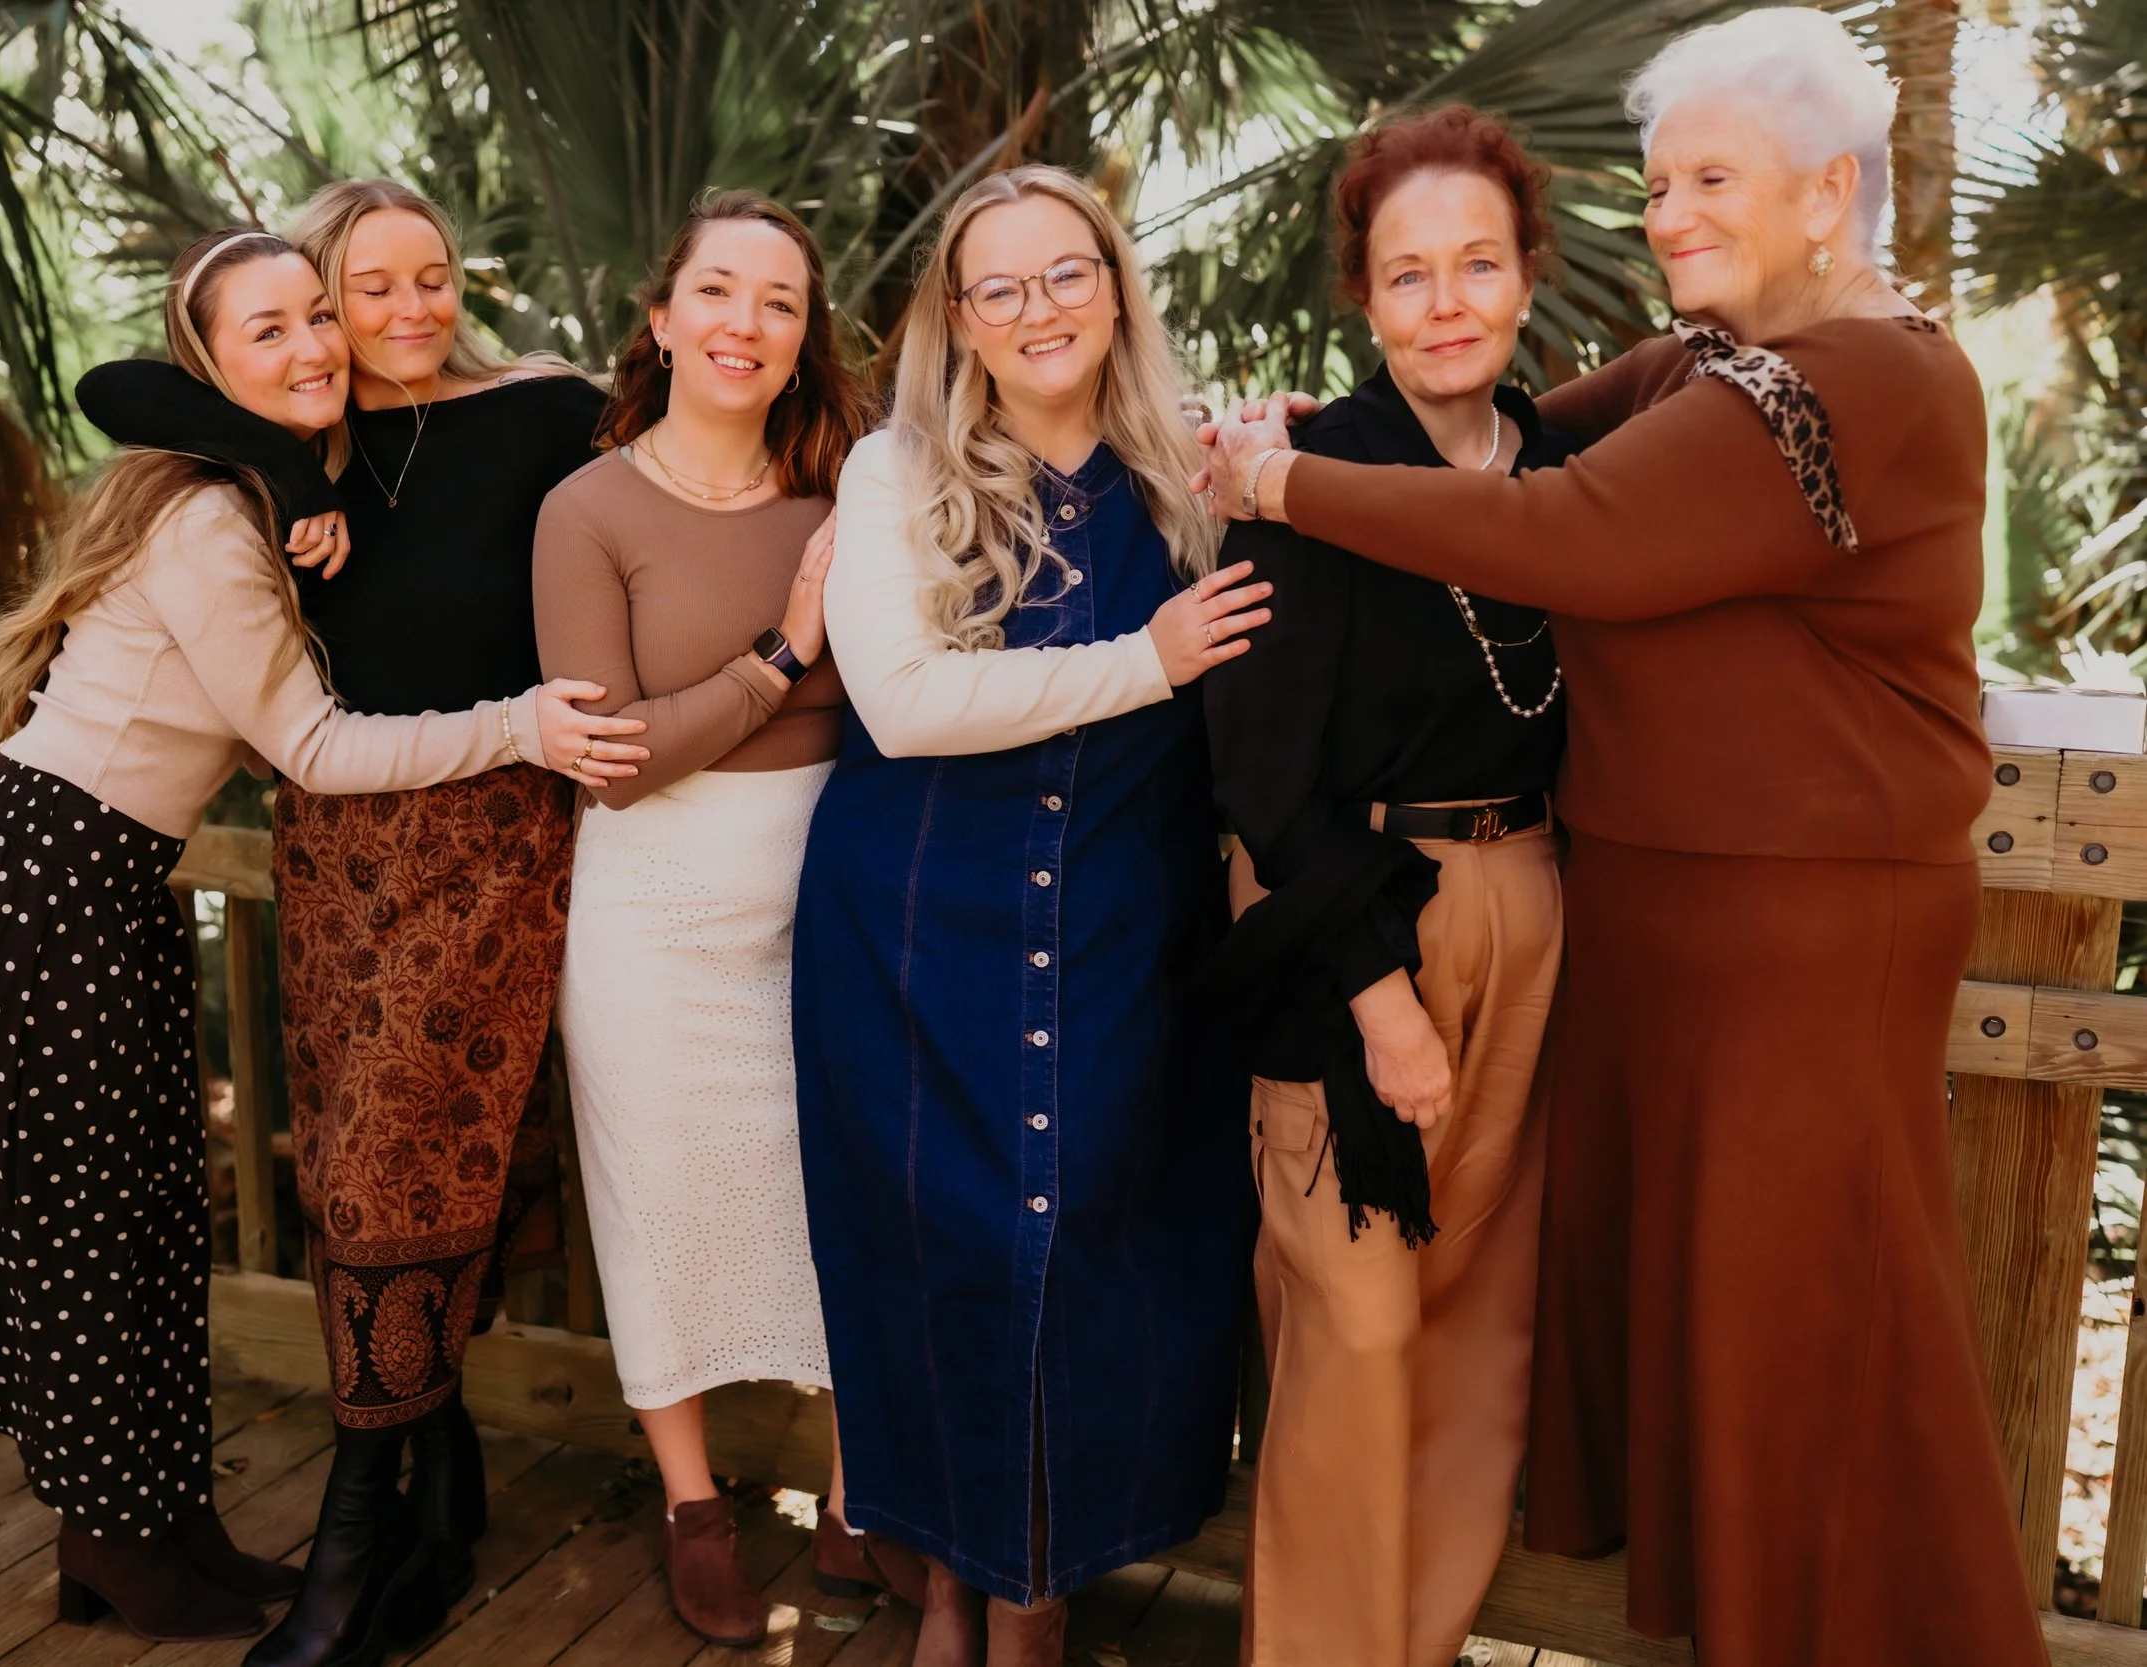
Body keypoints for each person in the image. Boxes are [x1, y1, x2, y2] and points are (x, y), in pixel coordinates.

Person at [1200, 12, 2046, 1665]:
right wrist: (1349, 432)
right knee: (1731, 1339)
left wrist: (1288, 484)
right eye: (1657, 185)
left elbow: (1565, 525)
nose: (1667, 216)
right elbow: (1522, 434)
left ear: (1831, 192)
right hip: (1663, 930)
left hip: (1808, 934)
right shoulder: (1722, 361)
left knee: (1821, 1327)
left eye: (1711, 179)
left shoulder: (1865, 379)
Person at [0, 228, 627, 1646]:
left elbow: (161, 395)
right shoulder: (206, 513)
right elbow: (309, 746)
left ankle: (153, 1530)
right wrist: (522, 721)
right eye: (275, 329)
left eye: (322, 315)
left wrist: (280, 475)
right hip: (40, 872)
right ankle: (120, 1552)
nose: (321, 343)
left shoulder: (246, 491)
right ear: (214, 366)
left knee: (135, 1215)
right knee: (91, 1226)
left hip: (85, 873)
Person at [74, 180, 647, 1667]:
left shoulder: (540, 409)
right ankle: (436, 1491)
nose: (403, 314)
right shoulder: (289, 452)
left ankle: (350, 1544)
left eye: (433, 279)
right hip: (337, 853)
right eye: (358, 289)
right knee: (353, 1169)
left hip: (492, 834)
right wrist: (286, 457)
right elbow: (122, 381)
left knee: (411, 1158)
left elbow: (706, 453)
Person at [793, 164, 1268, 1667]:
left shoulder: (1195, 476)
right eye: (998, 286)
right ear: (958, 316)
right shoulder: (895, 474)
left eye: (1066, 273)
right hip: (919, 931)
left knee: (1091, 1253)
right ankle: (951, 1578)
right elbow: (908, 704)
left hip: (1127, 927)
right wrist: (1154, 657)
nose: (1038, 307)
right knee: (939, 1252)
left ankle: (1040, 1594)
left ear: (1116, 285)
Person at [1200, 104, 1573, 1667]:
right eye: (1407, 274)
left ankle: (1413, 1647)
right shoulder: (1307, 474)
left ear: (1527, 279)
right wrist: (1378, 998)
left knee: (1474, 1321)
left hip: (1534, 900)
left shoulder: (1563, 464)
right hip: (1346, 913)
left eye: (1475, 265)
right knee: (1356, 1326)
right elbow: (1263, 777)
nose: (1444, 303)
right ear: (1363, 298)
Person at [533, 189, 900, 1646]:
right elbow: (614, 761)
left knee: (840, 1193)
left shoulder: (854, 489)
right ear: (664, 316)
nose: (748, 324)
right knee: (664, 1203)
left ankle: (859, 1491)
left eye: (781, 303)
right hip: (656, 914)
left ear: (805, 337)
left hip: (831, 897)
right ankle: (693, 1505)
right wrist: (780, 653)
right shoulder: (589, 509)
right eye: (722, 294)